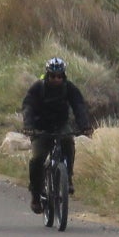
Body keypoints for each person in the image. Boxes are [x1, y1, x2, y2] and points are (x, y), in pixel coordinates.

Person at [20, 57, 94, 213]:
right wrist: (28, 126)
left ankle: (68, 177)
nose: (56, 79)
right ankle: (35, 194)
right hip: (40, 128)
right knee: (37, 159)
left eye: (59, 76)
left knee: (68, 142)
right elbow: (28, 106)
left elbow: (79, 106)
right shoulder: (37, 88)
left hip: (60, 125)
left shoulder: (69, 88)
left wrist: (85, 126)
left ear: (64, 75)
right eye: (53, 76)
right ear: (47, 75)